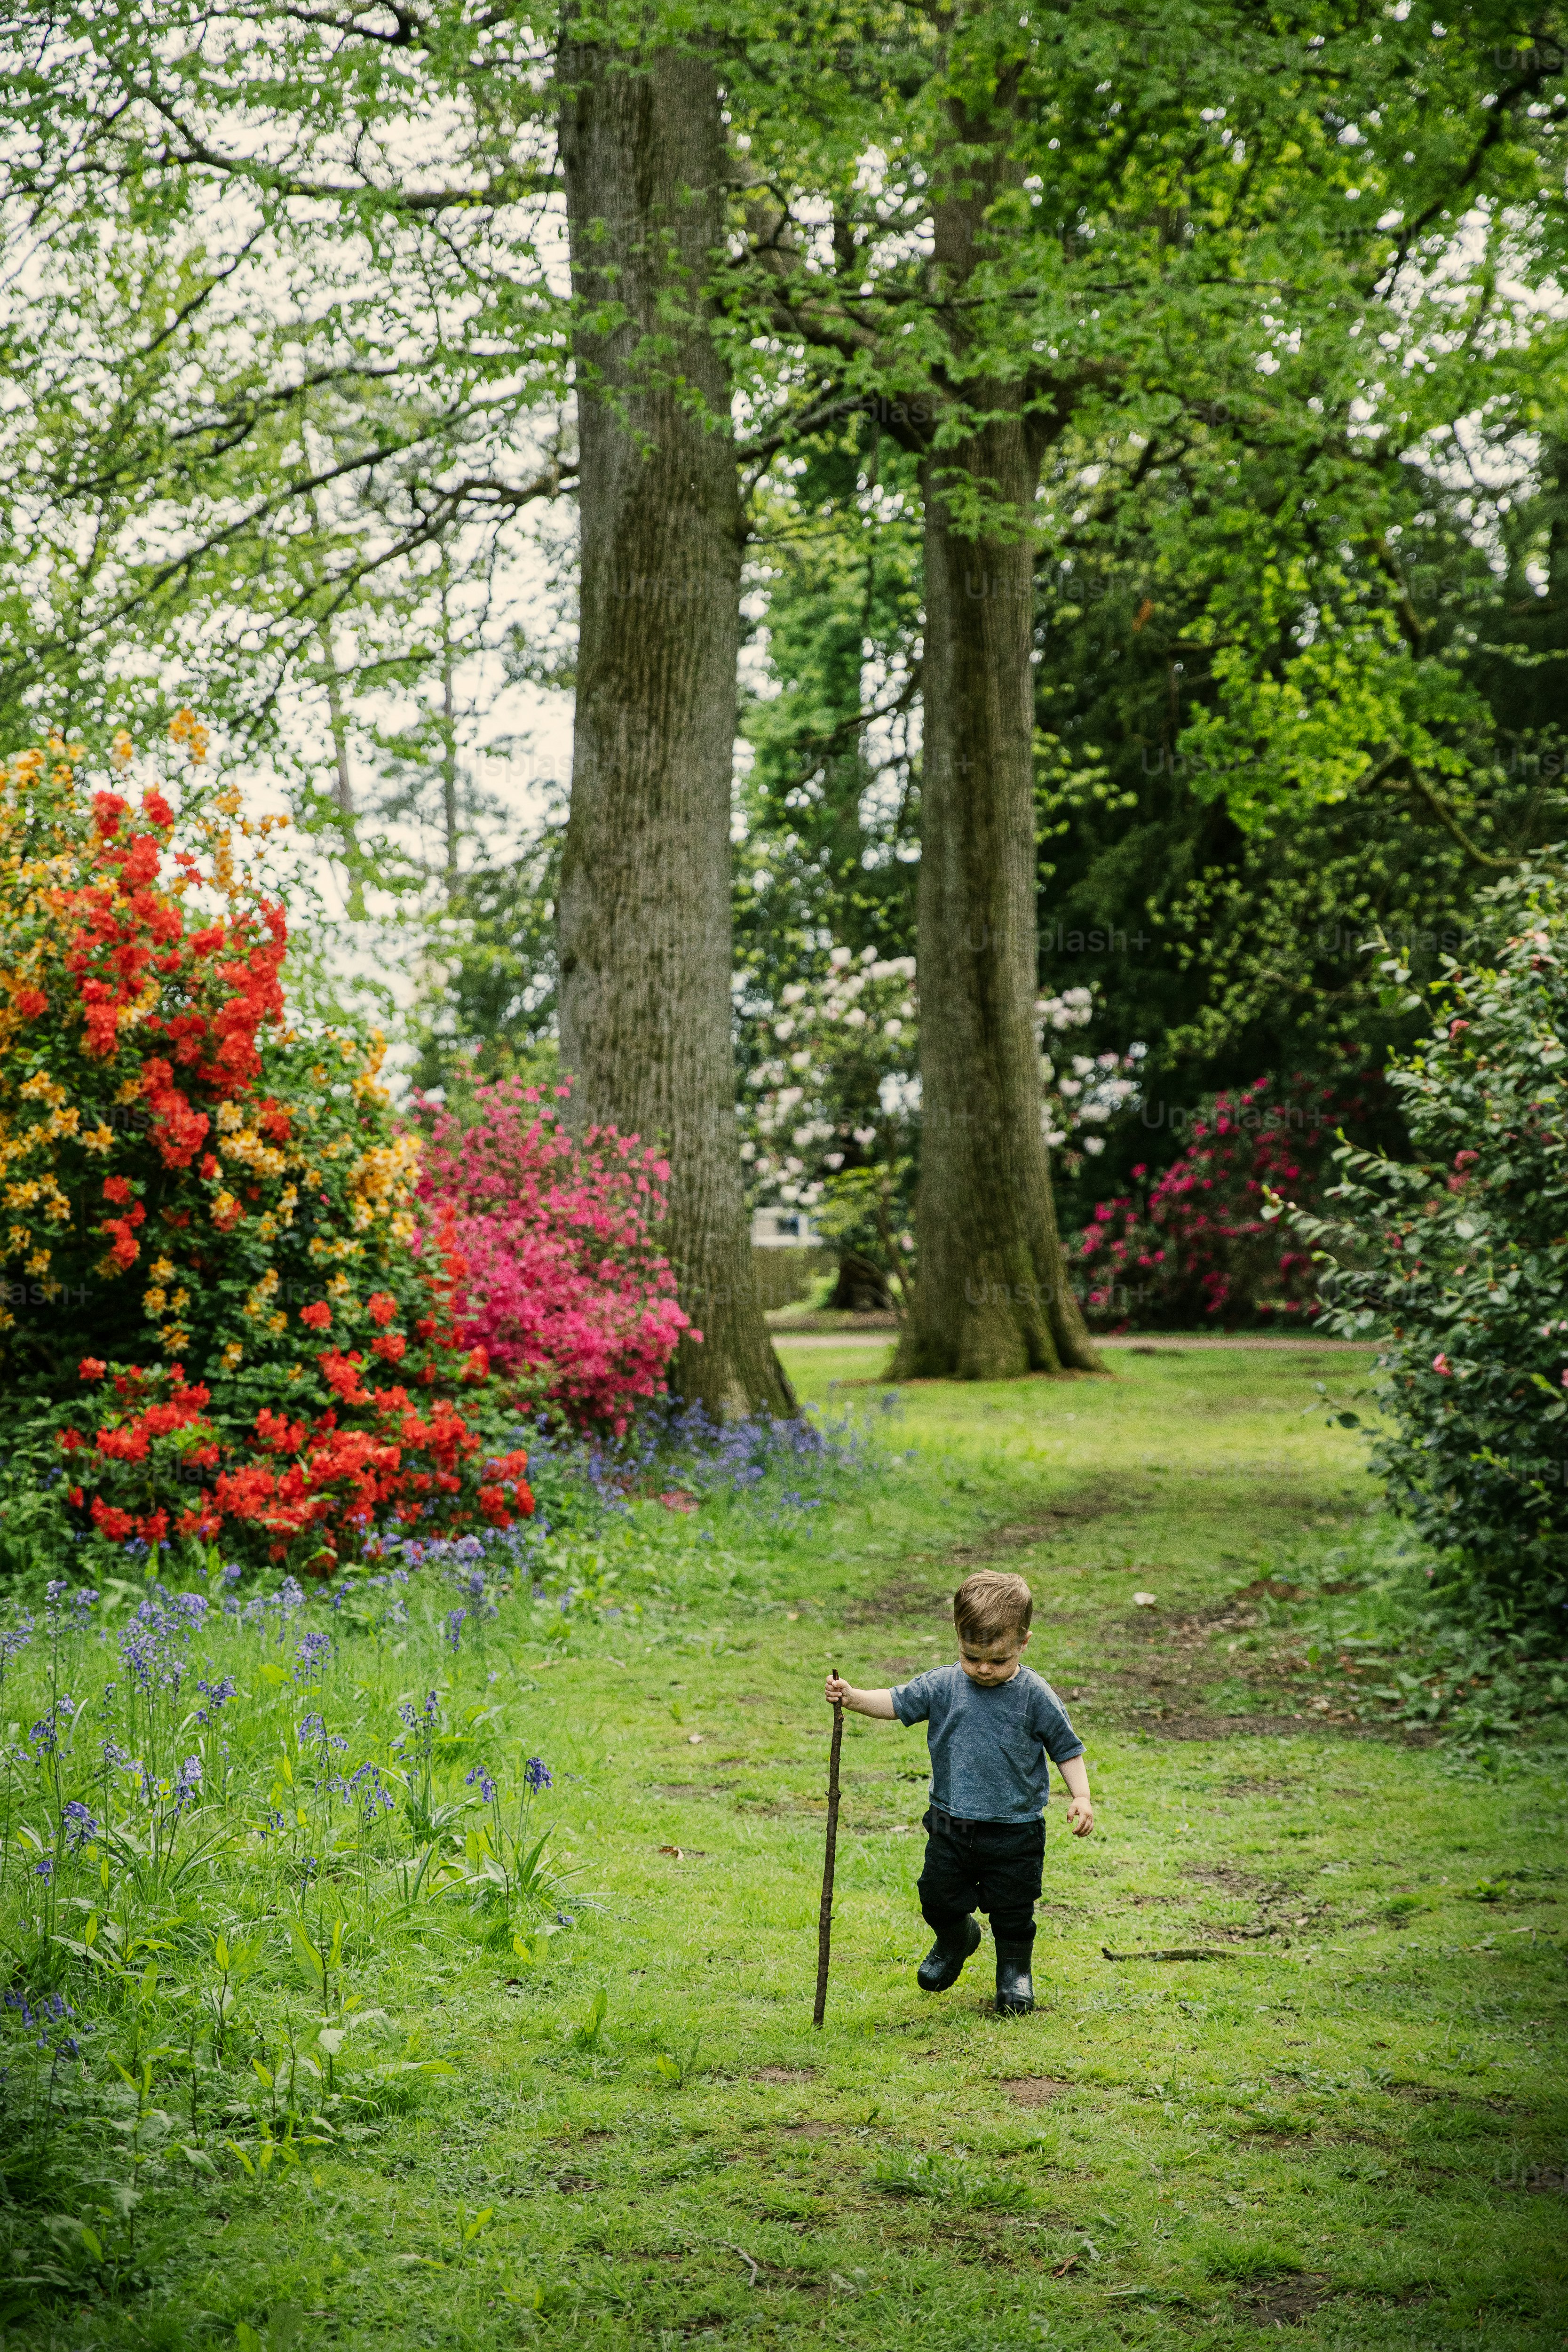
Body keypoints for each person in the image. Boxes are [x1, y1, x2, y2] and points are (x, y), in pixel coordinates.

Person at [824, 1568, 1092, 2016]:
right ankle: (957, 1939)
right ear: (958, 1638)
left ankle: (1014, 1974)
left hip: (1016, 1828)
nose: (985, 1669)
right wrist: (852, 1697)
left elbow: (1067, 1749)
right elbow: (896, 1701)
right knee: (938, 1897)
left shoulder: (1035, 1696)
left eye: (999, 1660)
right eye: (973, 1657)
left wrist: (1081, 1797)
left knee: (1013, 1910)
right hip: (951, 1822)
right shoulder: (944, 1685)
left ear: (1023, 1643)